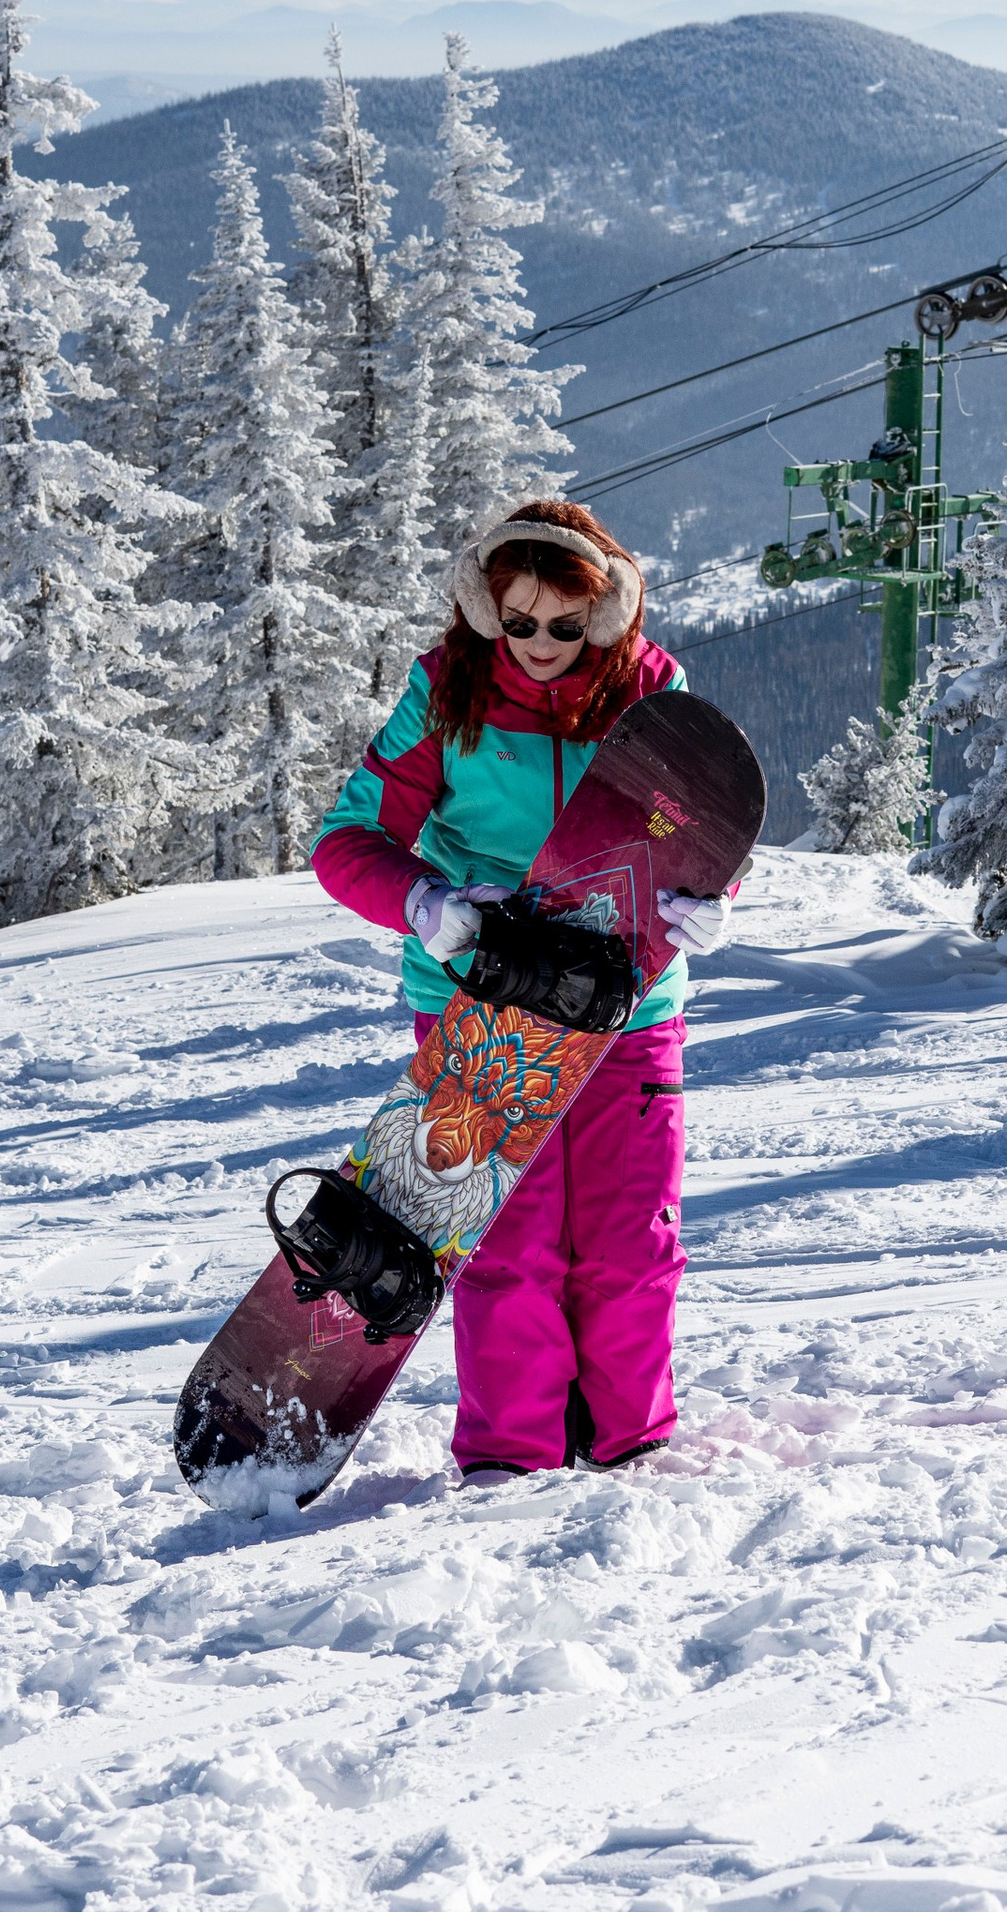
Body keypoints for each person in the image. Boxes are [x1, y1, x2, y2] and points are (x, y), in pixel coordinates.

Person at [309, 498, 733, 1477]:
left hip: (626, 1002)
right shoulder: (446, 691)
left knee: (632, 1240)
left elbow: (701, 825)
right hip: (481, 1002)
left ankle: (629, 1442)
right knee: (508, 1245)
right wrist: (424, 901)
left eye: (565, 624)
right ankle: (513, 1456)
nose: (539, 643)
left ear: (605, 611)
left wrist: (713, 896)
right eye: (519, 620)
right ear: (488, 609)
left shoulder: (648, 690)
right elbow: (345, 841)